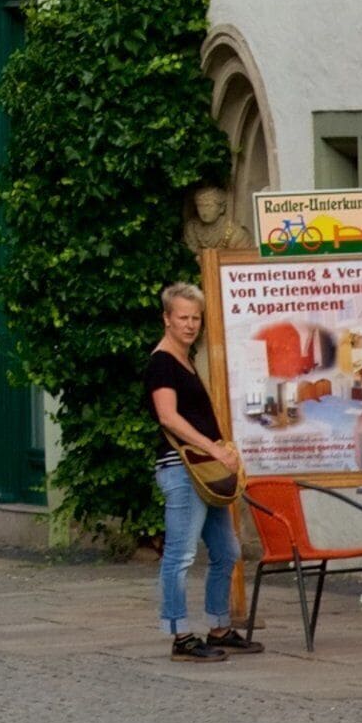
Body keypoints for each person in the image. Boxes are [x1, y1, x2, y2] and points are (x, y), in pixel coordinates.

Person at [144, 284, 253, 662]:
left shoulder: (186, 359)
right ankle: (179, 634)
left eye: (195, 317)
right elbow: (167, 416)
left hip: (206, 472)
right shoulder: (162, 362)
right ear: (167, 319)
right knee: (180, 554)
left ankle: (219, 626)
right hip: (183, 469)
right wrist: (213, 448)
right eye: (183, 317)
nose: (190, 325)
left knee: (226, 550)